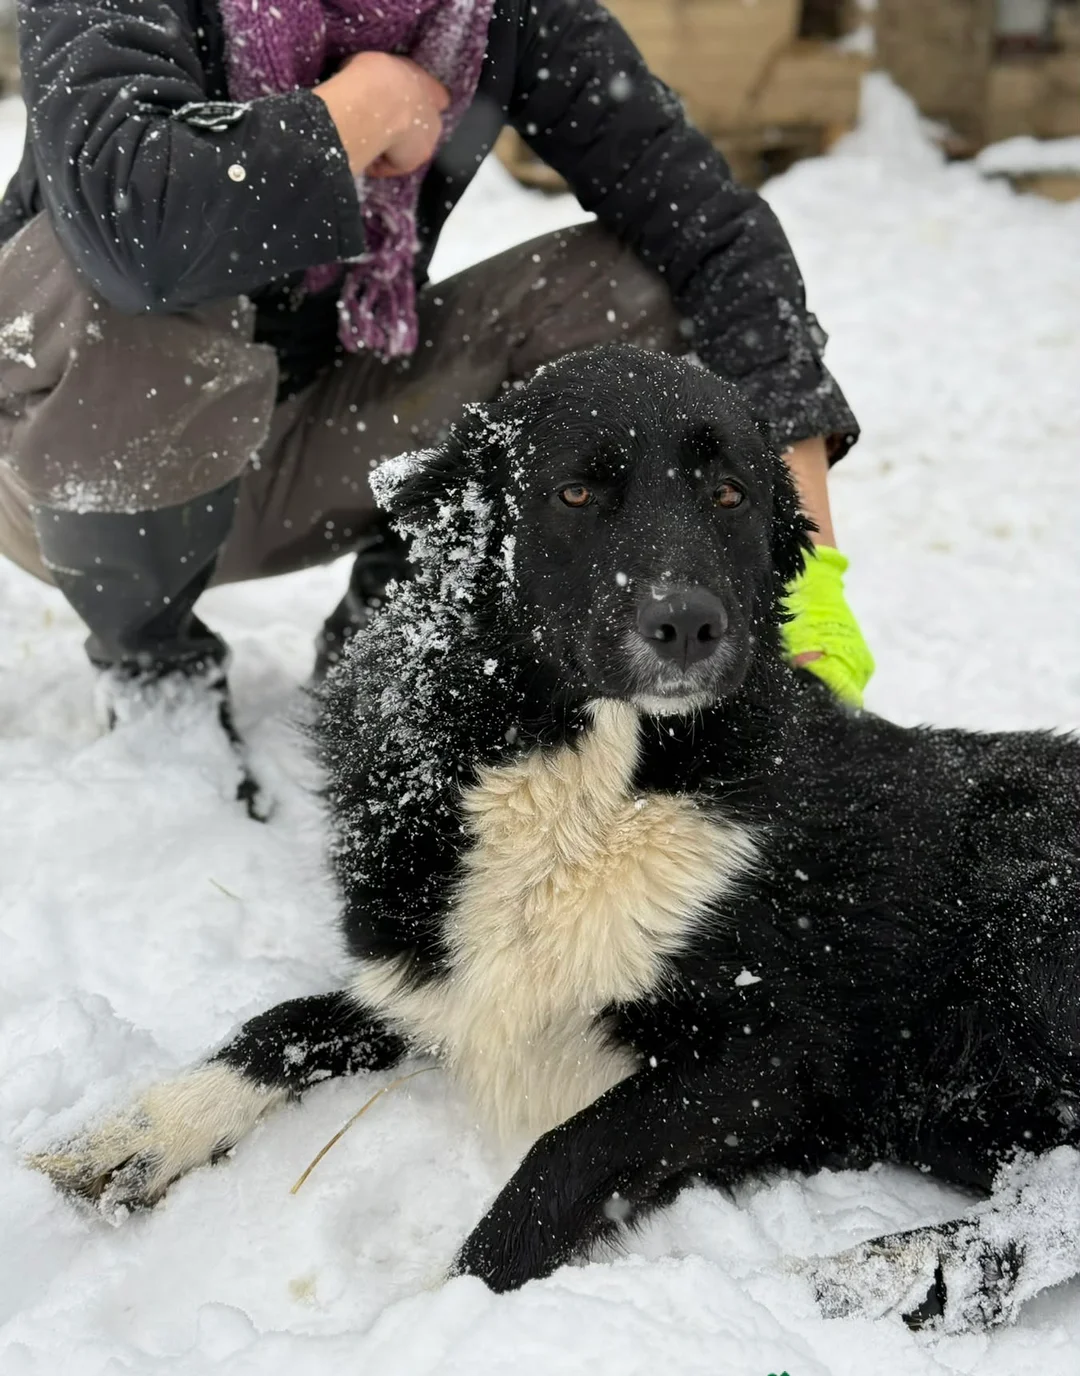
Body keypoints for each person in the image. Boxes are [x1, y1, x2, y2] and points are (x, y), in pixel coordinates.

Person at [0, 0, 873, 811]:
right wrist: (368, 103)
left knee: (636, 283)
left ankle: (394, 632)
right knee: (127, 257)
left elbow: (715, 236)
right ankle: (155, 671)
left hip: (317, 436)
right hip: (68, 465)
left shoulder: (486, 13)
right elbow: (138, 225)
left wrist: (813, 579)